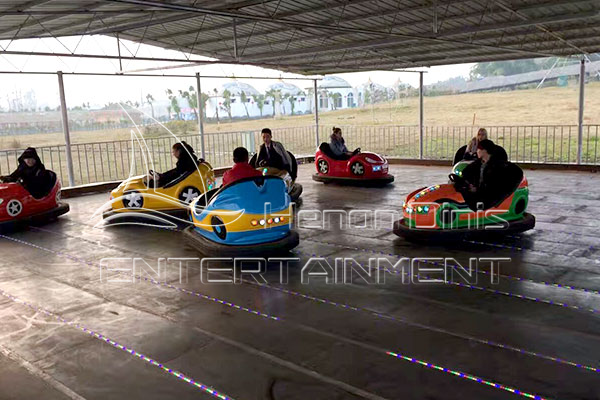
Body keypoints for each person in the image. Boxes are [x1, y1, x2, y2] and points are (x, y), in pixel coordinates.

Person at [458, 139, 508, 210]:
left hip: (488, 197)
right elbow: (465, 172)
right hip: (478, 192)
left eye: (478, 149)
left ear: (485, 151)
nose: (477, 151)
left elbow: (493, 187)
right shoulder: (478, 163)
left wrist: (476, 190)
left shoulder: (496, 166)